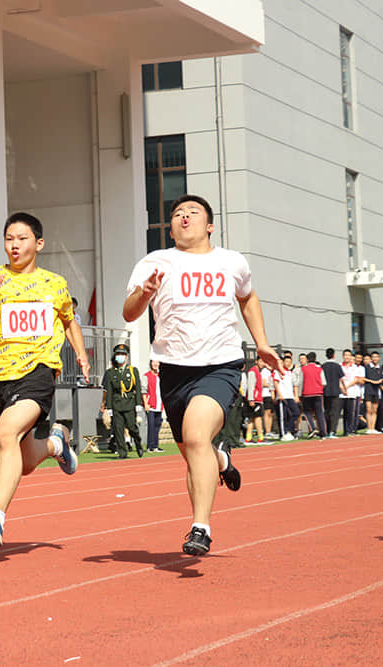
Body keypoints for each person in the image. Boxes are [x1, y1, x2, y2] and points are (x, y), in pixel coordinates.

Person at [123, 194, 281, 556]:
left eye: (192, 213)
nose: (183, 217)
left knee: (195, 439)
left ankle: (201, 527)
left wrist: (262, 342)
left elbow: (248, 298)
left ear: (209, 225)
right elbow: (129, 313)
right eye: (177, 213)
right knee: (194, 452)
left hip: (220, 365)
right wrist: (144, 294)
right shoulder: (155, 262)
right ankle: (221, 459)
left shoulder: (231, 261)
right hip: (174, 369)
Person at [0, 212, 90, 547]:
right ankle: (56, 444)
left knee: (4, 433)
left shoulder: (54, 283)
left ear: (38, 243)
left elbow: (69, 320)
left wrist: (82, 356)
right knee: (24, 460)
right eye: (9, 239)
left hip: (39, 371)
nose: (14, 246)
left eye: (22, 239)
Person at [100, 343, 144, 459]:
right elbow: (109, 391)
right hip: (116, 404)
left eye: (123, 354)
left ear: (127, 357)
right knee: (118, 429)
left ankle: (138, 443)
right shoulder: (110, 373)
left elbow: (138, 388)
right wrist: (108, 407)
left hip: (129, 403)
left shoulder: (133, 371)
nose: (120, 356)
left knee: (132, 427)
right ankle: (122, 452)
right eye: (118, 354)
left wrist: (138, 404)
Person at [272, 353, 299, 441]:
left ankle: (288, 429)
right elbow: (275, 383)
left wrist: (295, 396)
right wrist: (279, 394)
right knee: (282, 416)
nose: (287, 363)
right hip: (282, 396)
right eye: (286, 361)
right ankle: (283, 434)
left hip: (290, 396)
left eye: (289, 362)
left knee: (296, 413)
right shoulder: (278, 372)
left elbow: (294, 385)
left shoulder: (290, 373)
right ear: (283, 362)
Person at [339, 348, 364, 436]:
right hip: (341, 393)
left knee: (350, 413)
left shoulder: (354, 367)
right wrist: (342, 388)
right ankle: (344, 431)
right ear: (343, 356)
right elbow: (338, 379)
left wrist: (346, 387)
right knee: (342, 413)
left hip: (351, 393)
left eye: (348, 355)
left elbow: (356, 379)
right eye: (345, 355)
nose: (347, 357)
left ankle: (349, 430)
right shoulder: (340, 366)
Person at [321, 348, 343, 439]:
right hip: (335, 391)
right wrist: (344, 389)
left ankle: (327, 431)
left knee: (327, 412)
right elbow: (341, 379)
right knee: (335, 412)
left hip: (325, 391)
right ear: (334, 355)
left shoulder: (323, 366)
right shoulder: (337, 366)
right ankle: (332, 431)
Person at [143, 361, 165, 453]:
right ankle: (150, 446)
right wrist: (145, 403)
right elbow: (143, 391)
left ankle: (156, 445)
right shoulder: (146, 376)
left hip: (159, 405)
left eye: (157, 362)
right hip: (150, 405)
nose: (155, 364)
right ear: (150, 364)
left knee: (157, 426)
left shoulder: (161, 376)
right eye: (154, 362)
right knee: (151, 425)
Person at [244, 359, 266, 444]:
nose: (263, 364)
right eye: (261, 361)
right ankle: (261, 437)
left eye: (263, 362)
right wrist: (251, 399)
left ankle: (248, 438)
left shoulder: (258, 372)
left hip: (257, 398)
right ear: (256, 361)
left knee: (252, 419)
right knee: (258, 418)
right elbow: (251, 386)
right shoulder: (252, 372)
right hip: (255, 399)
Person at [363, 351, 383, 434]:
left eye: (376, 357)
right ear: (371, 358)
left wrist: (379, 381)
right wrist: (372, 381)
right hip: (368, 390)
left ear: (379, 358)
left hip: (376, 391)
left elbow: (382, 378)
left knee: (374, 410)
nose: (375, 359)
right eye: (373, 357)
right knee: (369, 410)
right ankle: (369, 428)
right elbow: (363, 378)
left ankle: (373, 428)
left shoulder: (380, 368)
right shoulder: (366, 367)